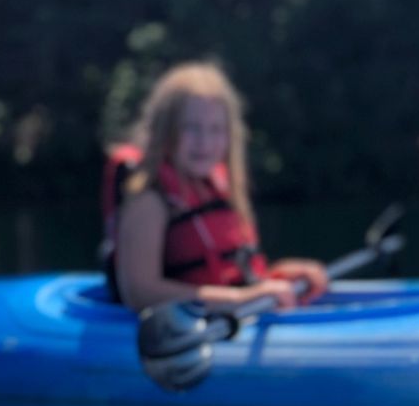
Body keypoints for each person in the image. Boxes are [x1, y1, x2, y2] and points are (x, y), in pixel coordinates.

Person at [101, 61, 327, 312]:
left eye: (216, 130)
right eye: (191, 128)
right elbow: (140, 292)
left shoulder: (221, 188)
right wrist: (241, 300)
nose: (204, 142)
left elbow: (234, 277)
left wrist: (279, 276)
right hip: (172, 332)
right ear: (165, 130)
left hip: (227, 319)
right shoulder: (148, 200)